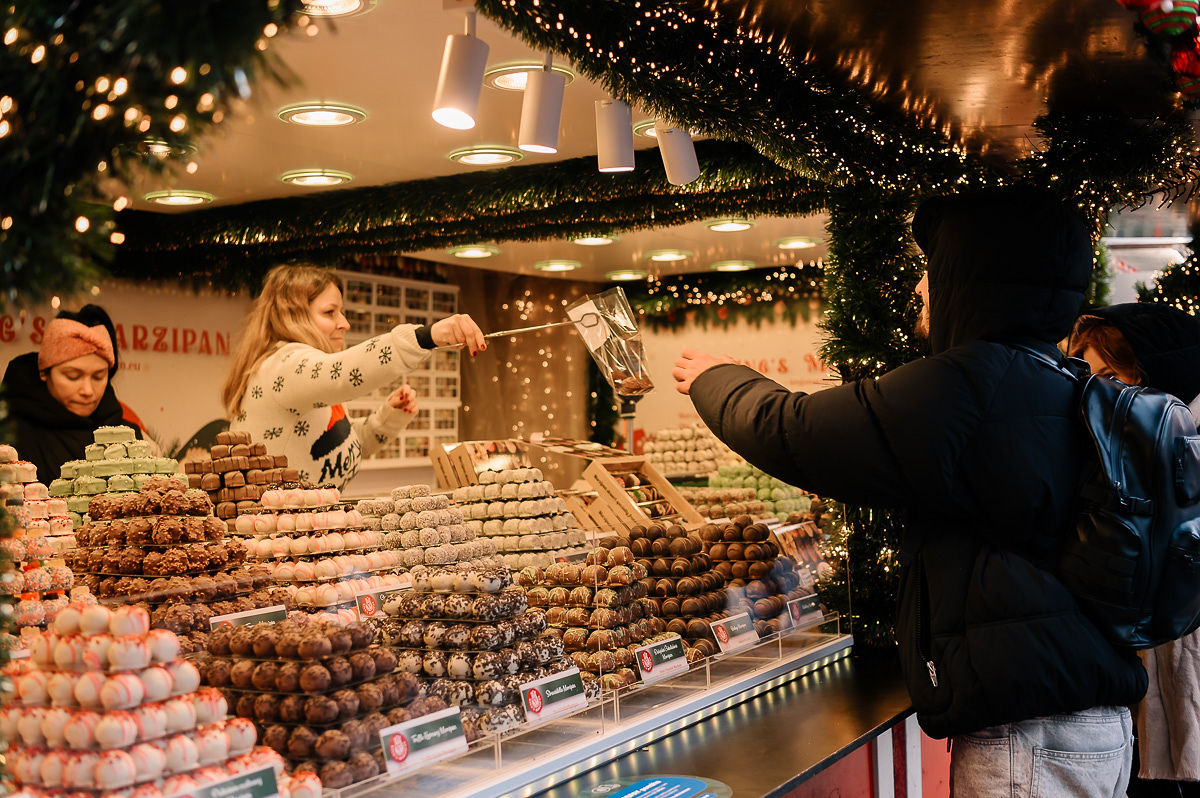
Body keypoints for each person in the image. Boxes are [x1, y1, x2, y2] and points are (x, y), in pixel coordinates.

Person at [673, 187, 1146, 797]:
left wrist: (717, 376)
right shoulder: (1058, 375)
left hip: (1029, 738)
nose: (920, 289)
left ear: (972, 278)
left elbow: (795, 433)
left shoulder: (972, 384)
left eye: (933, 269)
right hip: (1086, 723)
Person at [1069, 304, 1200, 797]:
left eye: (1111, 374)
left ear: (1154, 370)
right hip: (1141, 702)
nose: (1100, 390)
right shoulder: (1127, 446)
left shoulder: (1178, 442)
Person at [221, 265, 486, 490]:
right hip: (276, 541)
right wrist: (427, 337)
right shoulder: (284, 365)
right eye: (330, 312)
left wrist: (386, 419)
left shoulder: (306, 374)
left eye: (341, 311)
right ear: (293, 316)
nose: (344, 323)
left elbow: (339, 446)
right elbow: (345, 374)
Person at [1, 305, 142, 482]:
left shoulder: (129, 438)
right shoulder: (9, 433)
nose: (87, 391)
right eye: (73, 376)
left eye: (98, 377)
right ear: (45, 372)